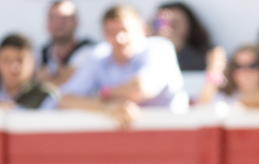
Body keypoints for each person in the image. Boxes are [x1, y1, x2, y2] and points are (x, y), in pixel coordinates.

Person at [58, 4, 188, 124]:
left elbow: (141, 88)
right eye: (112, 32)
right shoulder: (98, 56)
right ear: (104, 34)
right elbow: (65, 100)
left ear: (142, 30)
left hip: (172, 137)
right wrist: (106, 108)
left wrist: (104, 94)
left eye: (124, 30)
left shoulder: (160, 48)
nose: (119, 38)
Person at [0, 34, 60, 110]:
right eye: (7, 60)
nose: (13, 67)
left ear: (33, 62)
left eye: (20, 60)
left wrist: (16, 111)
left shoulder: (46, 96)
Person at [38, 1, 98, 86]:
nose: (58, 23)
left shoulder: (92, 52)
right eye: (53, 18)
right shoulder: (39, 54)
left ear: (76, 22)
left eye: (64, 18)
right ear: (47, 23)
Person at [153, 2, 214, 71]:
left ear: (189, 25)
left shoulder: (204, 52)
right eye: (163, 23)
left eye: (175, 23)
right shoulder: (148, 49)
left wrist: (177, 46)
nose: (168, 29)